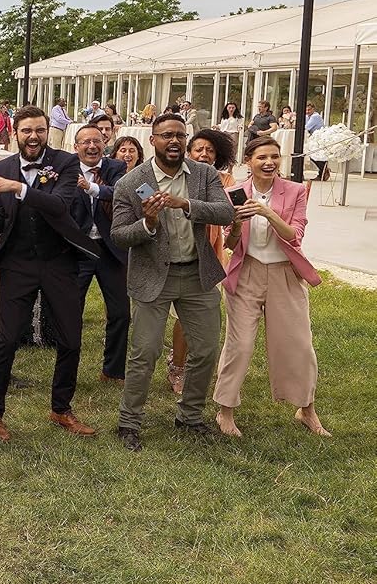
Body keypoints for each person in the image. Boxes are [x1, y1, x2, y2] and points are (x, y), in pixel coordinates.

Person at [0, 105, 100, 442]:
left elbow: (59, 205)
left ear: (48, 132)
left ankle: (61, 408)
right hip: (17, 264)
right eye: (27, 130)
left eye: (40, 130)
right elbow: (0, 223)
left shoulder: (65, 163)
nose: (33, 136)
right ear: (15, 132)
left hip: (58, 261)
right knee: (7, 338)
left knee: (71, 338)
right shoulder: (2, 167)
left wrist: (18, 188)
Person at [109, 114, 235, 451]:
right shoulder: (132, 182)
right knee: (145, 352)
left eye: (180, 135)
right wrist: (148, 224)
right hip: (153, 276)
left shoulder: (204, 174)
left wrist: (187, 204)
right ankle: (128, 423)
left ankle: (190, 416)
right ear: (153, 140)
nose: (174, 141)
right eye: (166, 135)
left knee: (205, 349)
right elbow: (119, 235)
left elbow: (225, 212)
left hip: (197, 274)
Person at [214, 134, 328, 438]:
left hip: (285, 274)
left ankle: (306, 409)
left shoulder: (295, 191)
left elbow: (294, 235)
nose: (269, 162)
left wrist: (267, 212)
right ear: (248, 161)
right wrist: (237, 223)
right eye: (262, 157)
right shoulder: (234, 193)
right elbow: (230, 243)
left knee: (298, 344)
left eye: (274, 157)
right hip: (246, 274)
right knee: (239, 345)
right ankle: (225, 410)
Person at [165, 128, 237, 389]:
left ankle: (197, 365)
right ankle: (178, 366)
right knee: (182, 317)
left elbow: (228, 212)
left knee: (203, 317)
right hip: (179, 254)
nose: (204, 154)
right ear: (188, 152)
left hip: (211, 255)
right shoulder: (179, 177)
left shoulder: (226, 180)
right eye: (199, 149)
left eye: (210, 150)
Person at [70, 123, 129, 384]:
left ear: (104, 144)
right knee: (71, 312)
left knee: (120, 312)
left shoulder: (116, 168)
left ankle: (113, 371)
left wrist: (91, 188)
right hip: (78, 249)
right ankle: (68, 368)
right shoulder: (66, 169)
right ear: (76, 147)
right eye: (86, 142)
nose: (92, 146)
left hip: (110, 249)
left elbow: (121, 193)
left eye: (97, 141)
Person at [305, 103, 328, 182]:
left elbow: (306, 127)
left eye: (309, 110)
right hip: (313, 138)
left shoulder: (315, 116)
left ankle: (324, 170)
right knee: (313, 155)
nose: (307, 111)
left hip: (319, 139)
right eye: (306, 110)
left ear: (313, 109)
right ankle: (323, 171)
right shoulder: (308, 116)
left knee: (313, 155)